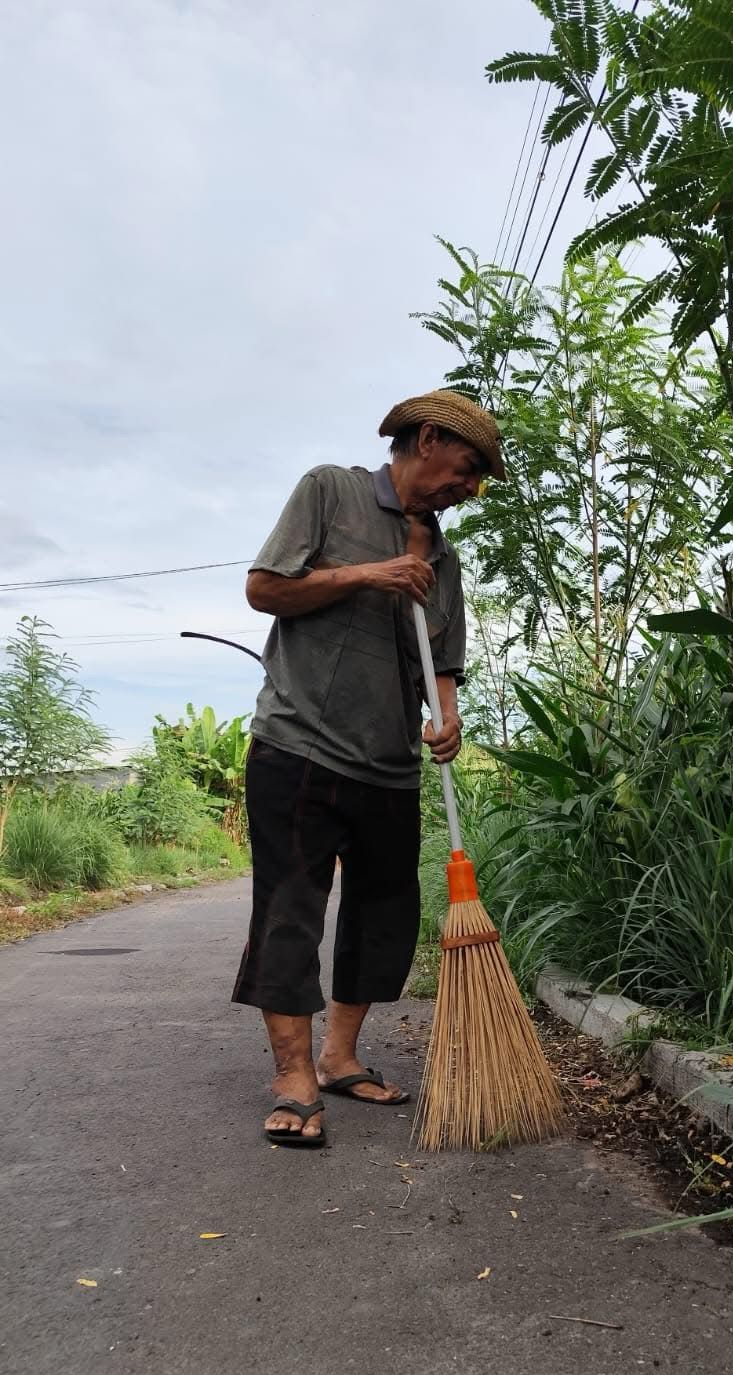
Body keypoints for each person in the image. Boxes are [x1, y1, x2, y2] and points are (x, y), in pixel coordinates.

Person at [232, 391, 505, 1146]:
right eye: (468, 468)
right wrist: (367, 575)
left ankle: (339, 1057)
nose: (469, 488)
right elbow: (264, 589)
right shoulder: (331, 491)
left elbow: (440, 660)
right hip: (300, 747)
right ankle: (293, 1078)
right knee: (290, 911)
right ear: (428, 438)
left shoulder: (443, 558)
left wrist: (446, 715)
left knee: (383, 916)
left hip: (389, 765)